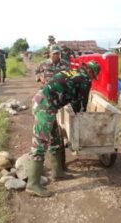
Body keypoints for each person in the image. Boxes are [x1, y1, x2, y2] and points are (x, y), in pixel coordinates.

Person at [26, 61, 101, 197]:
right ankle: (33, 184)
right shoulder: (84, 80)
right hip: (45, 107)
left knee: (55, 139)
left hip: (43, 102)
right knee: (40, 144)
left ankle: (57, 172)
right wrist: (81, 123)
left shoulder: (72, 72)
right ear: (90, 71)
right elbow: (80, 106)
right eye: (93, 76)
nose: (91, 79)